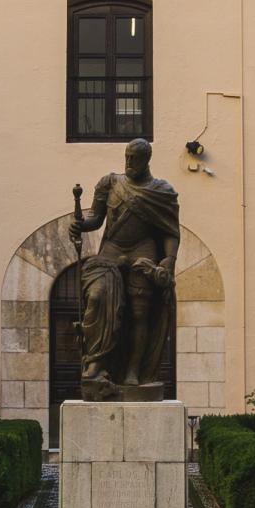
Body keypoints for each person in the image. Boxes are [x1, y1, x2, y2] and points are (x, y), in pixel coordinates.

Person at [69, 138, 180, 398]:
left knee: (139, 313)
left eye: (135, 158)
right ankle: (97, 363)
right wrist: (81, 226)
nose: (129, 163)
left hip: (143, 250)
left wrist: (169, 261)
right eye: (127, 157)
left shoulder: (162, 191)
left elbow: (170, 231)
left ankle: (133, 370)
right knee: (97, 297)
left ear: (147, 160)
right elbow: (96, 220)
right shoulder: (109, 183)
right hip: (113, 248)